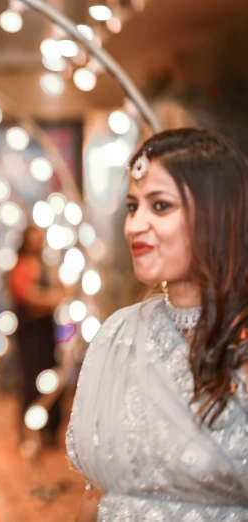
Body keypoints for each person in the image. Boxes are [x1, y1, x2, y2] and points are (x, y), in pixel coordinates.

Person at [67, 129, 248, 520]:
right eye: (133, 207)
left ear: (217, 213)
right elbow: (94, 495)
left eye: (160, 206)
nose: (134, 226)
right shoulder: (117, 336)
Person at [7, 226, 67, 446]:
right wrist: (51, 299)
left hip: (47, 331)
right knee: (31, 378)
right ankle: (30, 431)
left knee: (50, 375)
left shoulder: (46, 266)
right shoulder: (20, 267)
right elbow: (29, 297)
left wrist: (51, 297)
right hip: (31, 332)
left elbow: (63, 291)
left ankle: (51, 430)